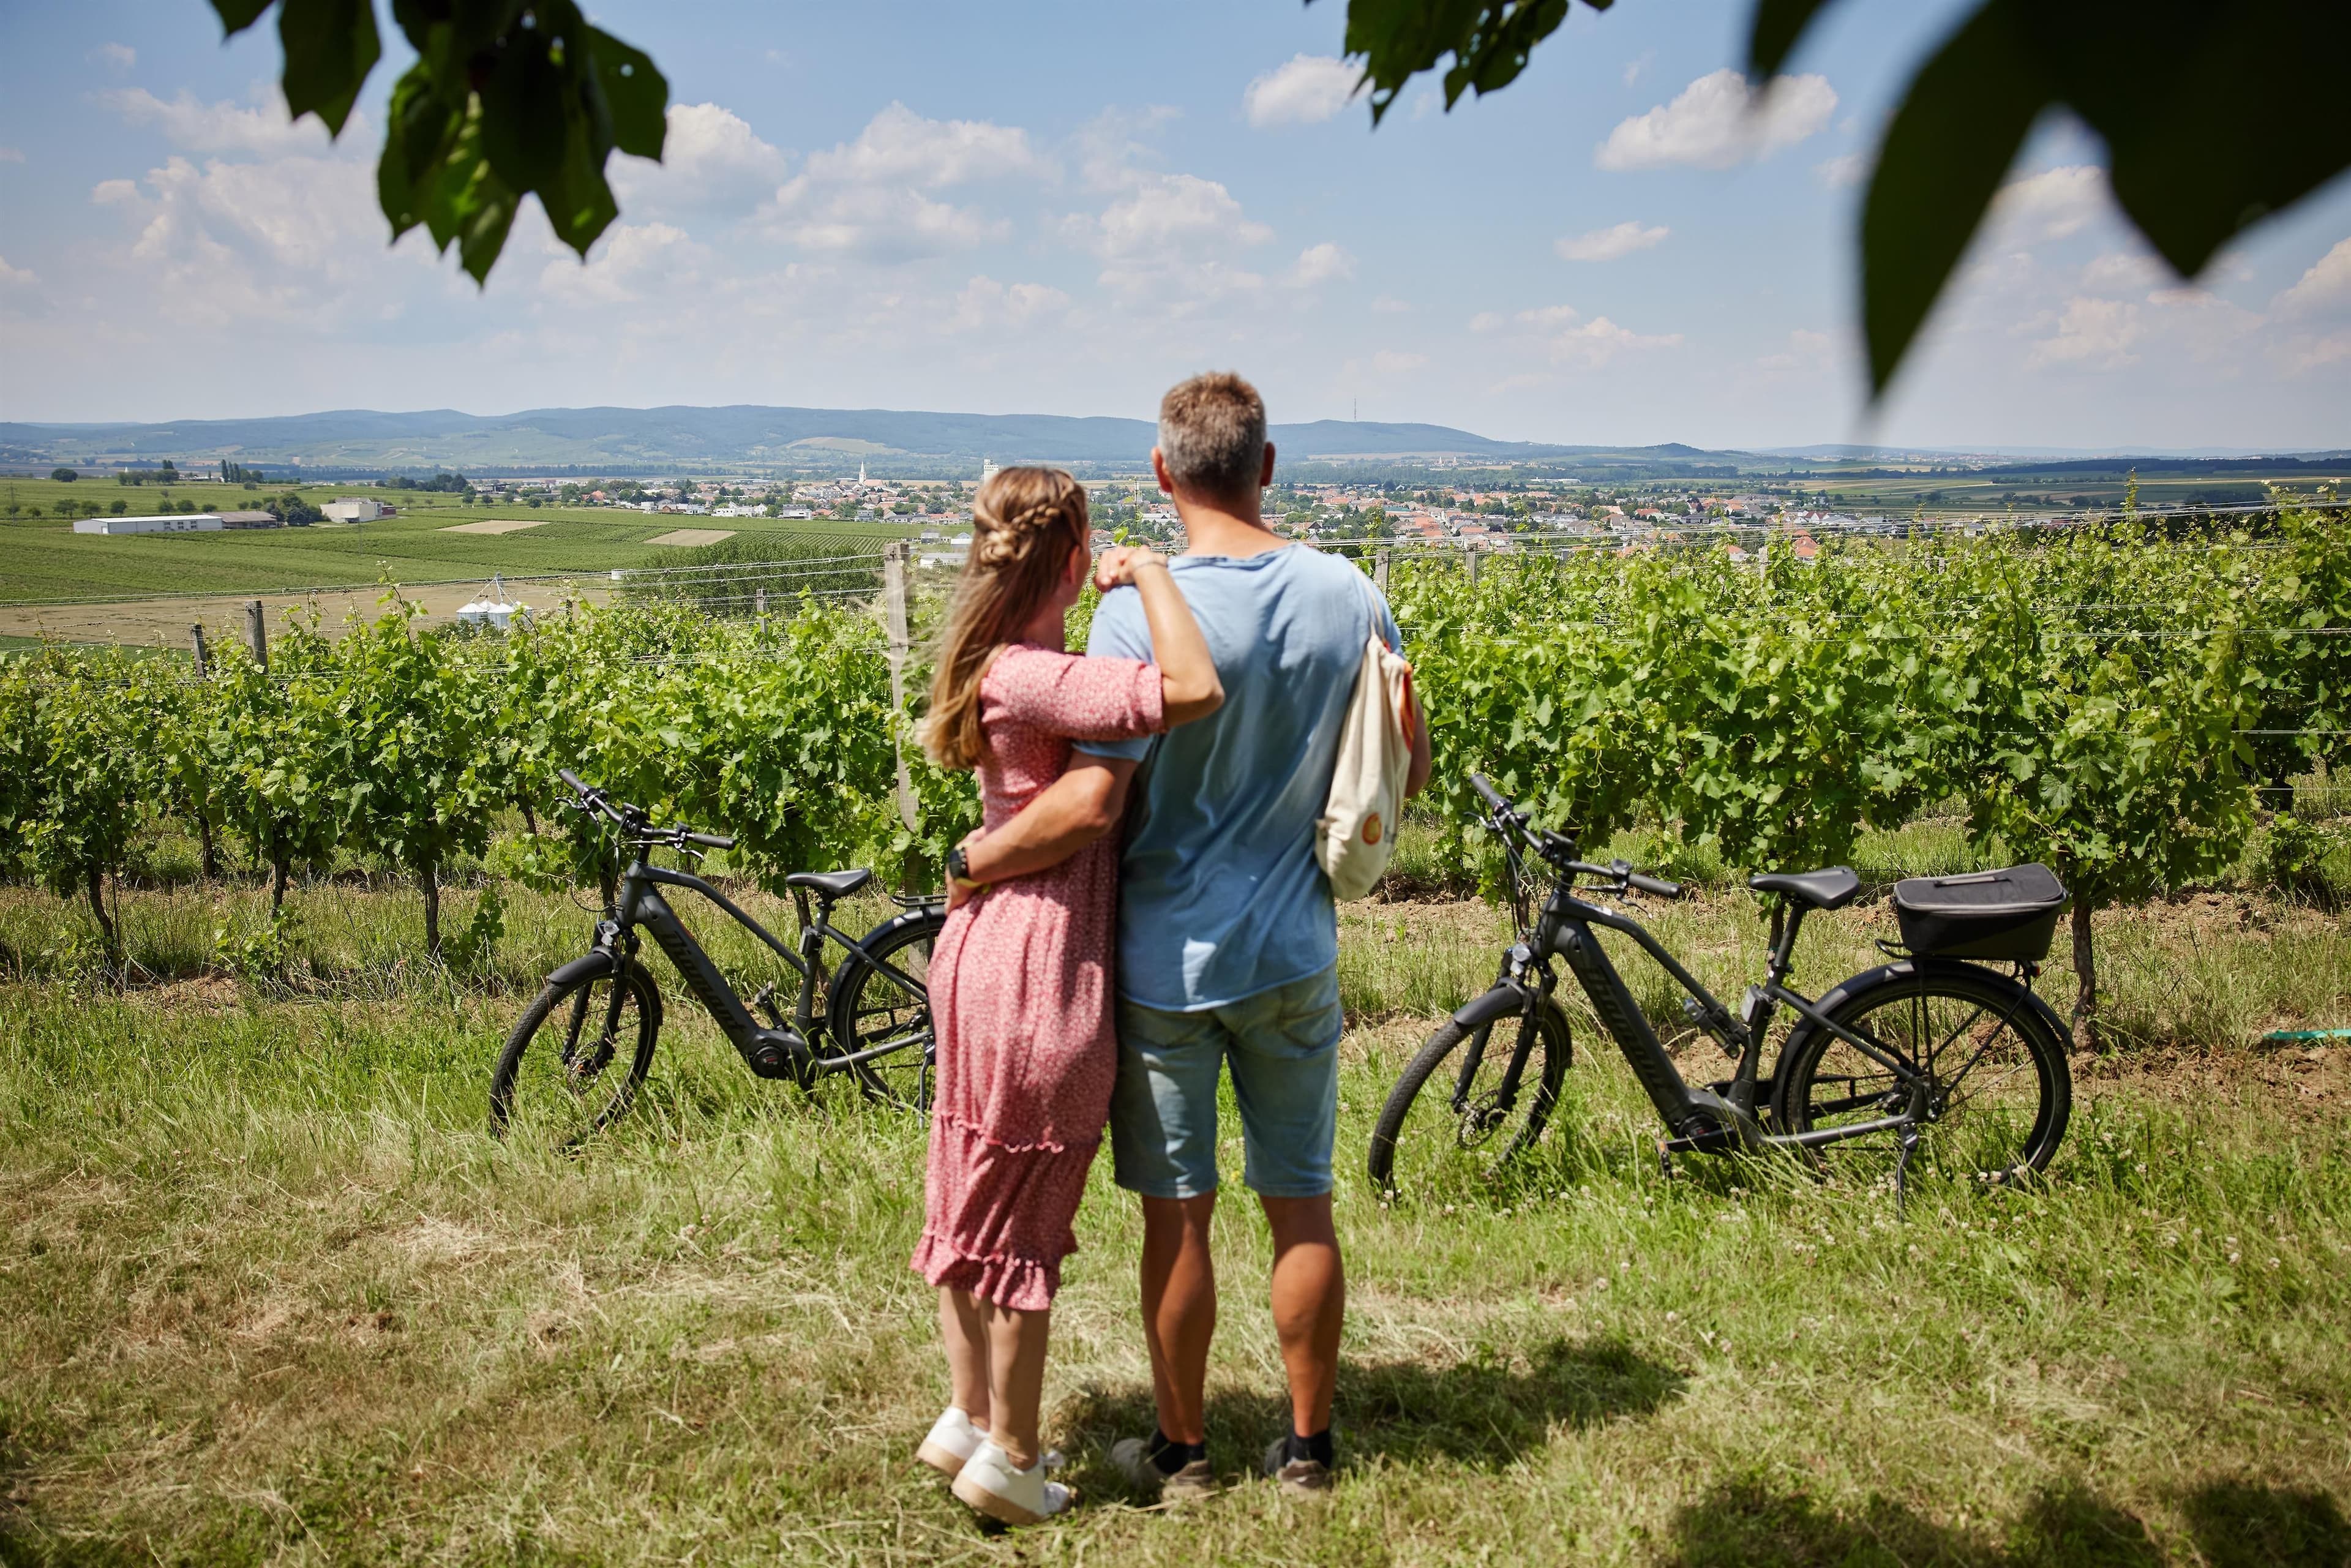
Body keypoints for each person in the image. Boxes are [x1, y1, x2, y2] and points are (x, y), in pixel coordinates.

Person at [1084, 372, 1432, 1499]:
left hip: (1163, 959)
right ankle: (1310, 1447)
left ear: (1163, 474)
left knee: (1176, 1215)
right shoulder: (1348, 592)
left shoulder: (1133, 611)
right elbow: (1402, 771)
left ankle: (1184, 1453)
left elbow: (1105, 794)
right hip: (1294, 948)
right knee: (1302, 1199)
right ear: (1268, 465)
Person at [907, 465, 1224, 1527]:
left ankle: (965, 1414)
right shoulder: (1043, 675)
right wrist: (1155, 581)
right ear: (1075, 557)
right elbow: (1193, 691)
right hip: (1042, 962)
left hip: (978, 950)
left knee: (970, 1188)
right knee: (1024, 1221)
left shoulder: (992, 661)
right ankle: (1014, 1455)